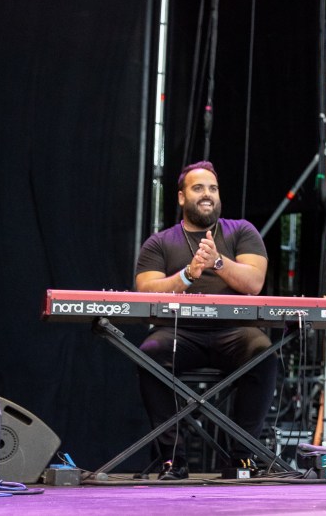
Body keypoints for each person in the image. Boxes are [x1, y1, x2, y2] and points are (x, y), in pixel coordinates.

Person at [135, 161, 277, 480]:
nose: (207, 194)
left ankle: (242, 457)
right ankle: (173, 458)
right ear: (181, 197)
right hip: (179, 333)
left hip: (235, 333)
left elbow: (254, 283)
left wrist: (217, 261)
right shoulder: (160, 242)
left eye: (213, 188)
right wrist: (187, 275)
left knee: (263, 354)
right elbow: (146, 290)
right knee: (149, 354)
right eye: (198, 188)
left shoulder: (242, 231)